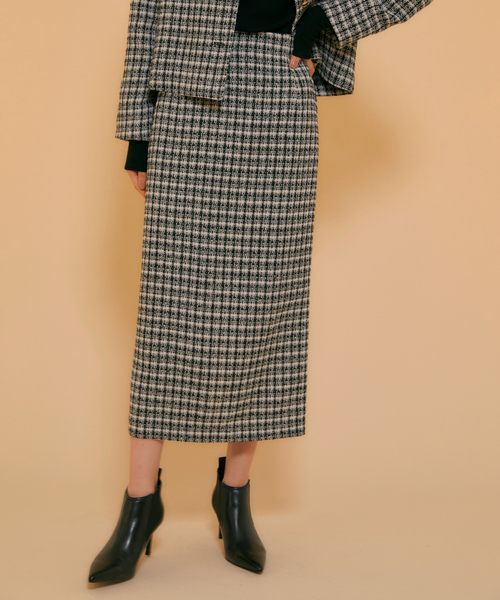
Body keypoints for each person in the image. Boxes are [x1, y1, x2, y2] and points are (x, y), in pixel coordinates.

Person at [88, 0, 434, 583]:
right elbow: (146, 9)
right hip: (185, 96)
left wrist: (328, 18)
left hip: (277, 84)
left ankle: (235, 495)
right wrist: (138, 132)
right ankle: (140, 504)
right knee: (169, 312)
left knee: (264, 304)